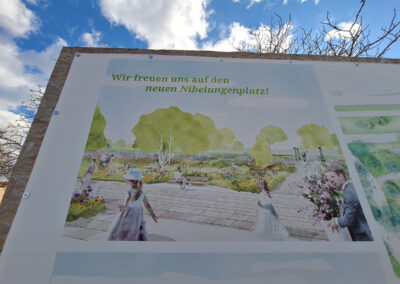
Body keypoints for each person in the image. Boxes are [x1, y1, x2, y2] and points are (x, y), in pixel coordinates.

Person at [108, 169, 158, 241]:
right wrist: (153, 216)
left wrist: (122, 207)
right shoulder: (142, 193)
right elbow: (148, 205)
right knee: (136, 227)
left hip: (129, 214)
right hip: (138, 214)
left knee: (126, 228)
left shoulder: (129, 192)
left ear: (129, 181)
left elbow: (125, 204)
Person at [327, 166, 373, 241]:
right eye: (330, 178)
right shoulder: (350, 187)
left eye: (333, 177)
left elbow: (348, 220)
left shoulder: (349, 192)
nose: (331, 180)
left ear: (341, 175)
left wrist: (336, 221)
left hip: (362, 235)